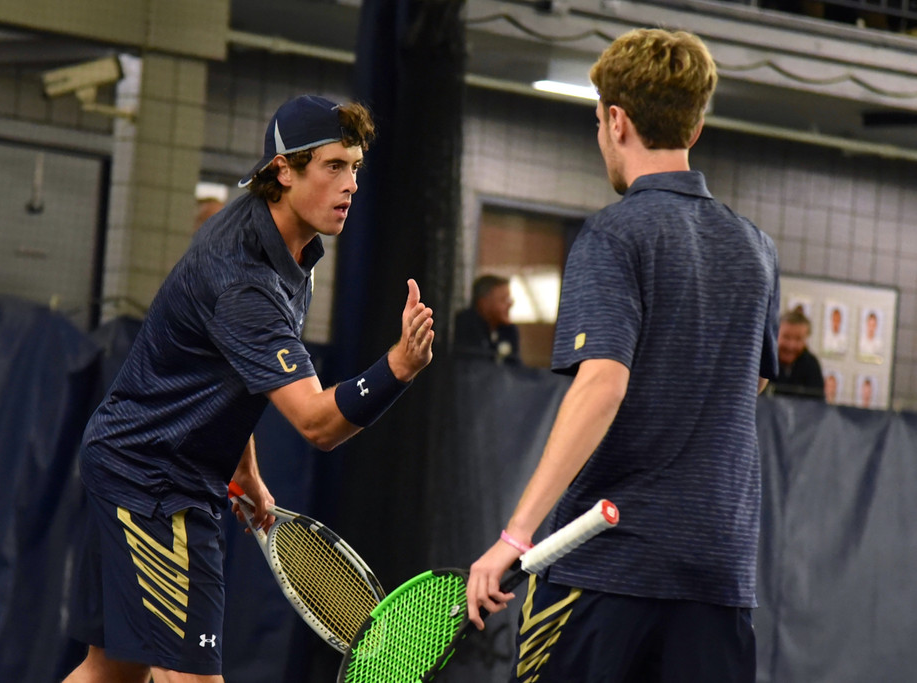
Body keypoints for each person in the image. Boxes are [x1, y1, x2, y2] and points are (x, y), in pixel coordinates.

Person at [63, 95, 435, 683]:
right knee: (185, 676)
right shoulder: (245, 281)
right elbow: (316, 423)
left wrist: (246, 472)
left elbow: (239, 376)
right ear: (283, 170)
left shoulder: (292, 248)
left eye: (356, 167)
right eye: (333, 166)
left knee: (111, 671)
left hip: (137, 461)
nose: (351, 185)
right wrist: (398, 367)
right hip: (155, 482)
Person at [465, 28, 779, 683]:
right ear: (693, 127)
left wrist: (514, 537)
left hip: (605, 569)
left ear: (616, 120)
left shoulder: (612, 235)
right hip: (717, 575)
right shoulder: (755, 247)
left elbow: (601, 384)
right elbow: (748, 382)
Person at [453, 274, 521, 365]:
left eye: (509, 300)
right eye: (503, 300)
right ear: (484, 303)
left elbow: (515, 367)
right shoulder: (466, 325)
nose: (510, 305)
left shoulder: (509, 331)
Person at [773, 309, 825, 400]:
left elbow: (817, 405)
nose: (791, 346)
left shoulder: (812, 365)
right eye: (786, 337)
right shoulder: (764, 360)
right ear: (775, 334)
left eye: (798, 339)